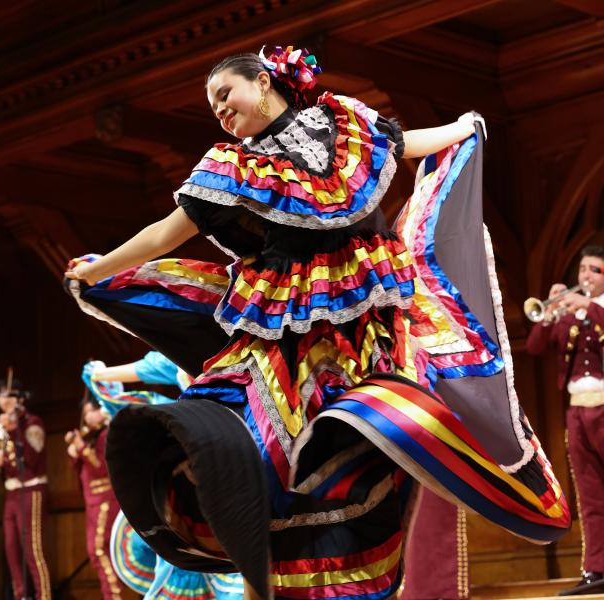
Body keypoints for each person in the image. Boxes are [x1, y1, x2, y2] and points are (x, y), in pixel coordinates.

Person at [65, 45, 570, 599]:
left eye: (224, 95)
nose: (220, 111)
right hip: (287, 331)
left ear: (261, 82)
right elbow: (165, 232)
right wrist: (100, 269)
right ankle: (258, 571)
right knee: (261, 450)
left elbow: (404, 145)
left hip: (369, 329)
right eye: (213, 108)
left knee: (367, 454)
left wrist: (462, 127)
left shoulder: (345, 122)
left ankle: (348, 576)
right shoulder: (233, 167)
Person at [90, 353, 244, 599]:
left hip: (236, 460)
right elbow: (153, 366)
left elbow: (153, 366)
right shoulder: (181, 356)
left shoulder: (228, 347)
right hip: (207, 458)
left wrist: (97, 374)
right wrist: (97, 373)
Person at [526, 244, 604, 596]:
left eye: (595, 270)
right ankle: (597, 569)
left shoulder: (595, 311)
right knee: (590, 496)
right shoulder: (572, 316)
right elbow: (535, 347)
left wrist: (589, 307)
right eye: (584, 269)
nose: (586, 276)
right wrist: (550, 311)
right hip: (577, 410)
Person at [0, 378, 51, 600]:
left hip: (32, 491)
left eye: (10, 394)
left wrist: (14, 428)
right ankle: (20, 596)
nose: (5, 399)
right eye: (1, 395)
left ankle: (43, 596)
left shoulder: (32, 422)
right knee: (11, 549)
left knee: (33, 550)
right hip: (11, 494)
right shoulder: (3, 429)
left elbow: (32, 458)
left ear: (19, 398)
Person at [66, 393, 124, 600]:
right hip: (93, 502)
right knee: (98, 552)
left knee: (100, 550)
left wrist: (81, 447)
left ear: (102, 409)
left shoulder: (108, 433)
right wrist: (76, 453)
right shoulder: (95, 435)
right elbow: (85, 470)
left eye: (90, 411)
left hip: (105, 501)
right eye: (85, 414)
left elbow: (101, 468)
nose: (88, 418)